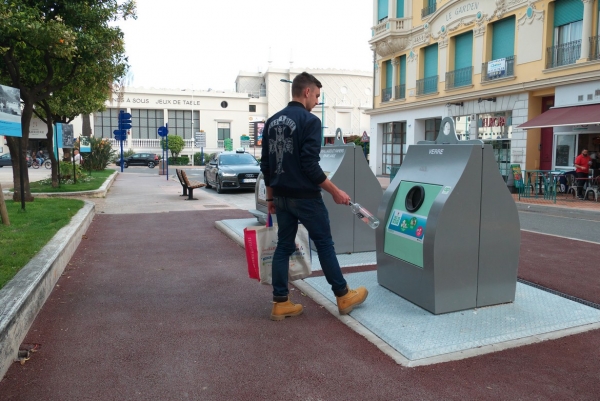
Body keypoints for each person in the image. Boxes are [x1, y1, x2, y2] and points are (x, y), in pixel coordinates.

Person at [260, 72, 368, 321]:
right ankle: (343, 295)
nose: (317, 101)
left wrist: (270, 199)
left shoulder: (272, 121)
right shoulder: (310, 121)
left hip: (282, 197)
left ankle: (280, 302)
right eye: (317, 95)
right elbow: (309, 165)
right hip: (306, 197)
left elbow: (266, 164)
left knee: (284, 247)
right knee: (324, 245)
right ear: (306, 92)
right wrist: (336, 191)